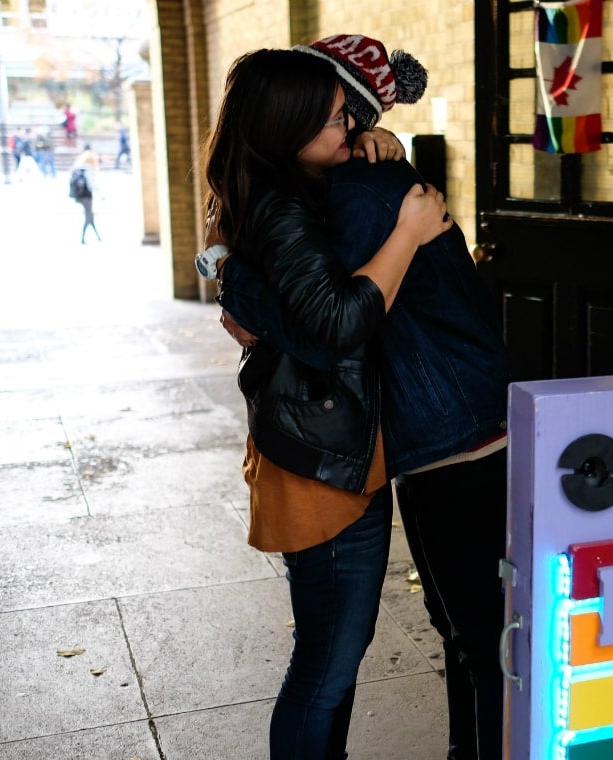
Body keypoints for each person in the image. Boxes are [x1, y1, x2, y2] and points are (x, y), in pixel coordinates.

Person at [214, 35, 512, 760]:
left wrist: (237, 285)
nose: (350, 128)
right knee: (424, 644)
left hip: (429, 437)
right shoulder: (331, 196)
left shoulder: (339, 191)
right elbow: (330, 319)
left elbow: (321, 319)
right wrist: (235, 278)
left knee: (456, 639)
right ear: (286, 126)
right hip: (417, 435)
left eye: (351, 115)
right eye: (334, 117)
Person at [71, 144, 103, 243]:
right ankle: (84, 238)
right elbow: (91, 184)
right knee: (89, 216)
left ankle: (96, 237)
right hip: (86, 196)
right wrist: (100, 195)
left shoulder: (80, 168)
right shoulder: (88, 170)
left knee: (90, 216)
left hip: (81, 196)